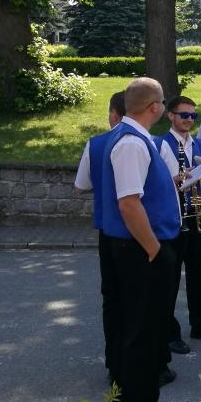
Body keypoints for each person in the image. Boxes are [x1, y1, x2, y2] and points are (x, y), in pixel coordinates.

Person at [99, 78, 182, 402]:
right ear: (154, 107)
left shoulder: (131, 138)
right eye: (162, 102)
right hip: (140, 251)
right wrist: (154, 249)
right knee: (142, 333)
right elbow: (129, 204)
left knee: (137, 330)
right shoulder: (132, 143)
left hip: (135, 248)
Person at [154, 96, 201, 355]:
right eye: (184, 115)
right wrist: (176, 179)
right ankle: (169, 333)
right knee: (170, 279)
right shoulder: (160, 144)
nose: (188, 120)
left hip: (194, 217)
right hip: (172, 219)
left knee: (198, 275)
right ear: (171, 115)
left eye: (193, 116)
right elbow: (154, 182)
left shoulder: (198, 144)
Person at [74, 90, 126, 382]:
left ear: (113, 114)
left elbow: (81, 185)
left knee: (113, 300)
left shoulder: (96, 144)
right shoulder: (149, 142)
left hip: (108, 230)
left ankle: (114, 364)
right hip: (140, 232)